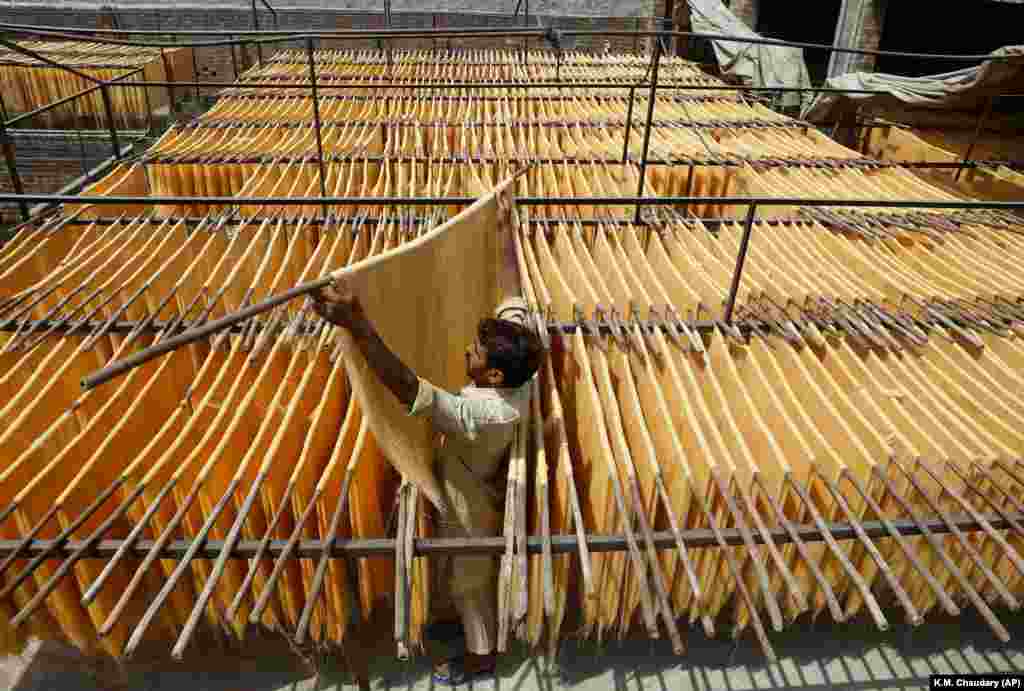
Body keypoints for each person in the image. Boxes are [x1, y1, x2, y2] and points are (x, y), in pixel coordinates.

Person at [311, 233, 543, 686]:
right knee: (459, 577)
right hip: (467, 476)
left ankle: (480, 661)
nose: (465, 352)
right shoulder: (520, 365)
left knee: (469, 584)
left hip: (471, 499)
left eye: (474, 353)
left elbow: (408, 389)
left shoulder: (484, 413)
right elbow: (514, 298)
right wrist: (500, 226)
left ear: (494, 374)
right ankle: (457, 626)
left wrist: (358, 325)